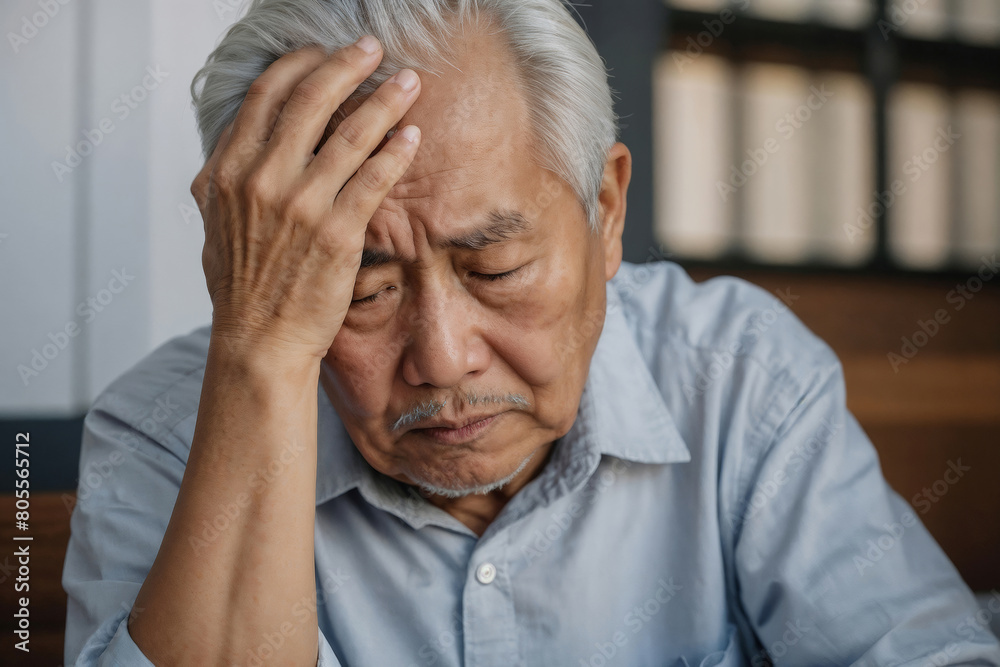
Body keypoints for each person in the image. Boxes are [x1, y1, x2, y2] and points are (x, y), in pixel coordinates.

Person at [62, 0, 1000, 665]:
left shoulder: (739, 378)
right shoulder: (162, 434)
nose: (443, 357)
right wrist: (263, 354)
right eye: (360, 290)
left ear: (606, 211)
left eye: (496, 269)